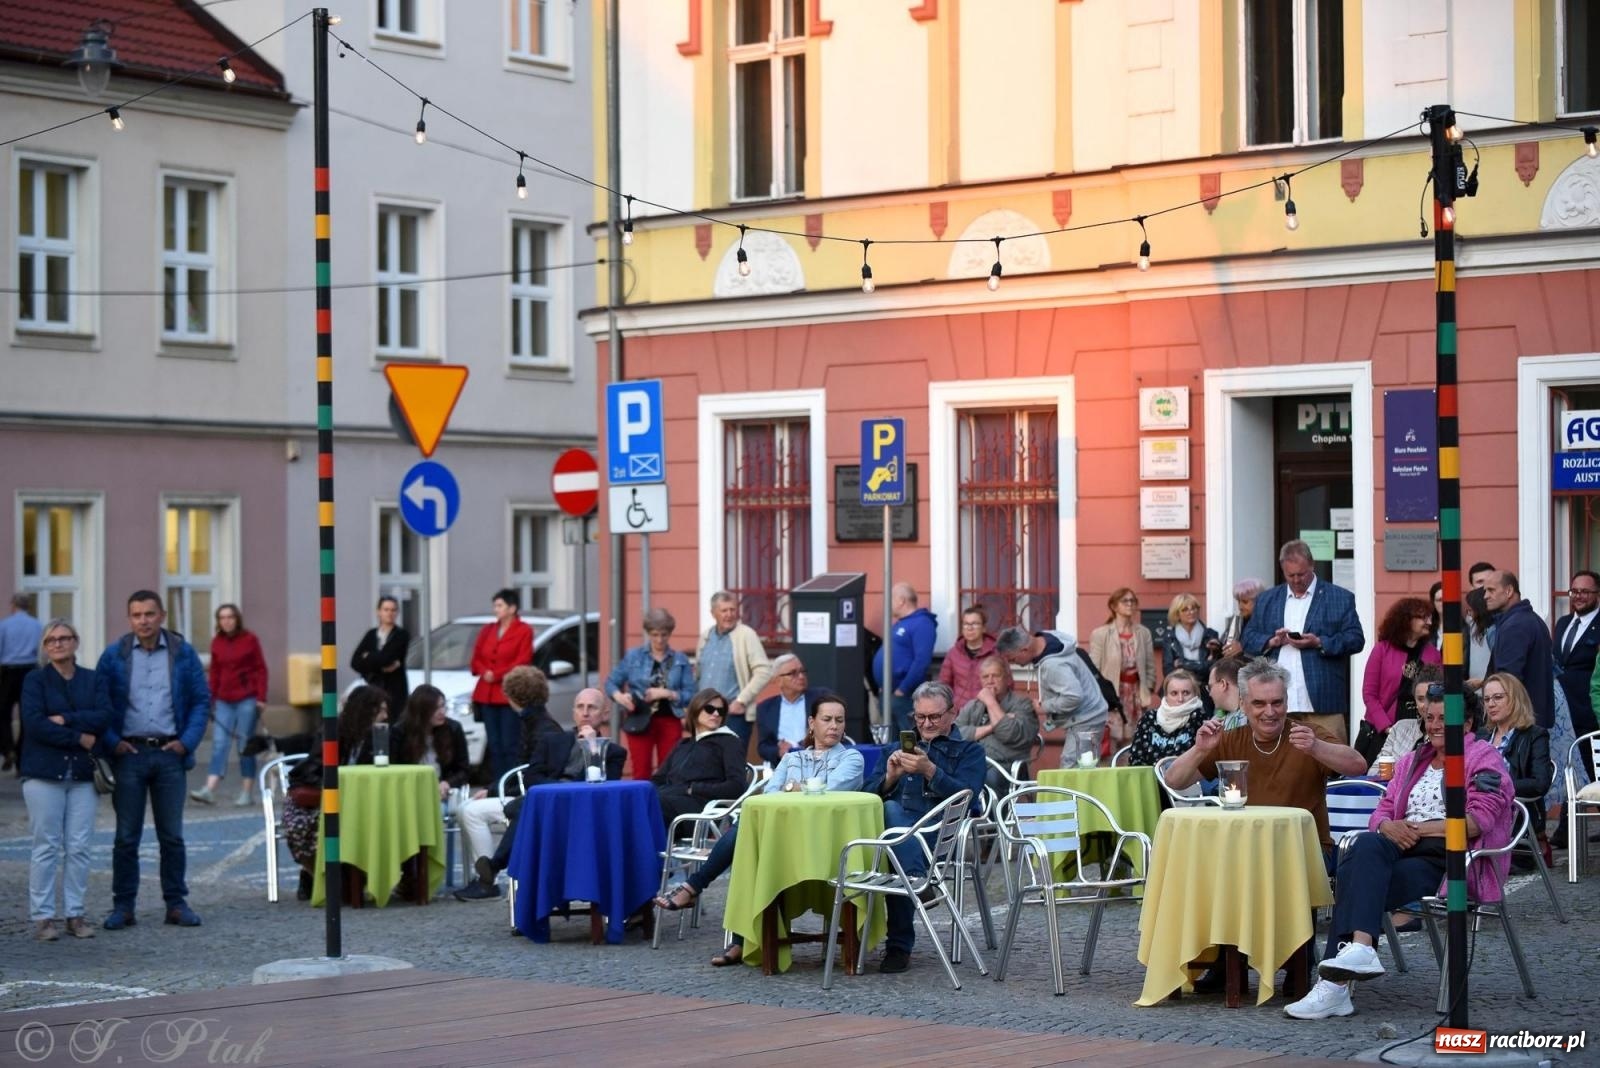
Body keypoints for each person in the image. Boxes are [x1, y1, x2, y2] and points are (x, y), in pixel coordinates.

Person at [1284, 684, 1515, 1021]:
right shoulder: (1412, 760)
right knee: (1364, 849)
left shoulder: (1483, 759)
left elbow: (1477, 821)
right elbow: (1382, 810)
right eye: (1429, 717)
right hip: (1399, 850)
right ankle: (1359, 951)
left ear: (1466, 724)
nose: (1435, 725)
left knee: (1353, 876)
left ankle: (1334, 987)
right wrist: (1387, 826)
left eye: (1444, 719)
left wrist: (1416, 828)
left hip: (1450, 861)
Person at [652, 692, 865, 966]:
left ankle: (698, 892)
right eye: (827, 719)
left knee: (745, 839)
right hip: (784, 837)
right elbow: (770, 793)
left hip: (827, 843)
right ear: (812, 723)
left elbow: (831, 787)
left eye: (839, 720)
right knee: (747, 840)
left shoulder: (852, 758)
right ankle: (737, 934)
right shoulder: (792, 759)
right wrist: (798, 788)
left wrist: (794, 787)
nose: (834, 726)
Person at [1163, 659, 1367, 869]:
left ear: (1287, 702)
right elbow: (1174, 780)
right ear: (1243, 704)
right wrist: (1200, 749)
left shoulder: (1307, 735)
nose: (1270, 712)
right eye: (1259, 703)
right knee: (1200, 861)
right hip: (1244, 849)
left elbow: (1358, 765)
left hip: (1303, 851)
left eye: (1277, 703)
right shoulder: (1229, 738)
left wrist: (1316, 748)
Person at [455, 672, 628, 902]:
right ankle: (499, 874)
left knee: (527, 808)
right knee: (531, 807)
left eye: (592, 708)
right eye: (580, 707)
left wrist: (593, 748)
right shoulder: (553, 740)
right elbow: (532, 777)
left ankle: (495, 867)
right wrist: (556, 792)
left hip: (582, 811)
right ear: (573, 712)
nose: (585, 713)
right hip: (546, 802)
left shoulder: (614, 752)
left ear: (605, 714)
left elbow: (607, 787)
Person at [96, 590, 211, 929]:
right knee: (126, 837)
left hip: (169, 755)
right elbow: (99, 703)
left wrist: (187, 742)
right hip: (128, 754)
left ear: (161, 616)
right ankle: (123, 906)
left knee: (171, 836)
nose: (143, 621)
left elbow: (201, 701)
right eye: (136, 615)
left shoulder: (182, 653)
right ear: (129, 618)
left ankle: (176, 903)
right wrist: (112, 742)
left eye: (149, 614)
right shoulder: (114, 655)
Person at [865, 681, 985, 974]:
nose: (926, 724)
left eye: (934, 717)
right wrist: (890, 778)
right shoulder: (894, 749)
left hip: (939, 834)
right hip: (895, 838)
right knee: (893, 823)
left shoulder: (970, 751)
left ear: (952, 714)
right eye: (919, 718)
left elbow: (968, 797)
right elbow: (865, 794)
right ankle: (918, 881)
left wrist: (930, 771)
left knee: (894, 836)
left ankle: (898, 946)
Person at [244, 684, 387, 901]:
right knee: (315, 823)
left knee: (368, 818)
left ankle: (352, 878)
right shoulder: (334, 731)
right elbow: (314, 770)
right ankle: (315, 876)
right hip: (315, 797)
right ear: (367, 710)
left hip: (355, 800)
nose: (386, 716)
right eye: (382, 710)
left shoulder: (377, 738)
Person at [20, 619, 109, 940]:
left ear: (76, 642)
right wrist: (79, 737)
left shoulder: (92, 679)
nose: (58, 644)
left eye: (64, 638)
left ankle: (75, 913)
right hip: (43, 774)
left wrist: (66, 719)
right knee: (46, 846)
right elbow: (34, 724)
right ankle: (43, 916)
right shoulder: (35, 681)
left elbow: (103, 716)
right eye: (51, 640)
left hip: (83, 776)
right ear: (45, 647)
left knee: (79, 847)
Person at [1240, 539, 1366, 745]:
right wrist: (1271, 641)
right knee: (1278, 762)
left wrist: (1319, 642)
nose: (1296, 580)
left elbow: (1356, 639)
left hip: (1324, 701)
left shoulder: (1339, 597)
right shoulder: (1267, 599)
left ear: (1312, 565)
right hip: (1278, 703)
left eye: (1301, 574)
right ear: (1283, 571)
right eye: (1291, 575)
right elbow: (1247, 638)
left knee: (1331, 762)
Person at [995, 626, 1109, 767]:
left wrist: (1044, 707)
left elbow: (1074, 697)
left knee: (1072, 769)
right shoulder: (1048, 639)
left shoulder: (1053, 665)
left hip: (1086, 719)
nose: (1013, 664)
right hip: (1089, 715)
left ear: (1024, 650)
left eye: (1012, 659)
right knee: (1085, 768)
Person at [191, 604, 268, 808]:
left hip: (247, 698)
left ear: (237, 619)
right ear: (218, 621)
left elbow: (261, 669)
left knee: (245, 745)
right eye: (222, 617)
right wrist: (210, 699)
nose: (226, 621)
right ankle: (210, 788)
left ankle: (246, 791)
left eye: (230, 617)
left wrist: (261, 697)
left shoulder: (250, 640)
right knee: (219, 743)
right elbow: (215, 672)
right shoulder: (217, 642)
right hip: (224, 699)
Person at [606, 607, 695, 779]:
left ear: (670, 633)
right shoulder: (634, 656)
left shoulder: (680, 659)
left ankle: (665, 805)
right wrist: (620, 697)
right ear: (648, 633)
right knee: (641, 772)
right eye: (654, 634)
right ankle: (641, 806)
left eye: (664, 634)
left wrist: (667, 693)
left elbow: (691, 693)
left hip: (670, 720)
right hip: (639, 720)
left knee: (669, 771)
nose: (659, 639)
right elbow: (611, 682)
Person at [1478, 672, 1553, 870]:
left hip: (1513, 814)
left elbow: (1540, 783)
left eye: (1498, 697)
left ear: (1515, 699)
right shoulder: (1481, 736)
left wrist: (1497, 786)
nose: (1491, 704)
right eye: (1486, 699)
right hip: (1477, 806)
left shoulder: (1535, 735)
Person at [1357, 597, 1441, 763]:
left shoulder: (1433, 653)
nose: (1429, 622)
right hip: (1382, 731)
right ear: (1405, 619)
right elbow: (1369, 694)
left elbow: (1438, 692)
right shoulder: (1382, 650)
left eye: (1430, 617)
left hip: (1420, 731)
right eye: (1422, 617)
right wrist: (1387, 728)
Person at [651, 688, 749, 829]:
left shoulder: (730, 742)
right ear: (695, 709)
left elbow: (736, 786)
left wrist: (693, 789)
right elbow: (658, 779)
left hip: (702, 810)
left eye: (720, 711)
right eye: (709, 709)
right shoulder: (683, 744)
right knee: (639, 802)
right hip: (671, 801)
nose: (715, 714)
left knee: (654, 805)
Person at [470, 588, 535, 784]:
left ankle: (513, 784)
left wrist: (496, 674)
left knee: (510, 744)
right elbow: (476, 657)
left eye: (500, 605)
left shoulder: (524, 630)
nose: (495, 609)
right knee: (494, 745)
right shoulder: (488, 629)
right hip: (486, 695)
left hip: (507, 695)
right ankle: (498, 783)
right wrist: (485, 672)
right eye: (495, 605)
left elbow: (523, 660)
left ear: (512, 608)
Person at [694, 591, 772, 751]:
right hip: (705, 713)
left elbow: (764, 671)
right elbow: (698, 673)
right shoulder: (705, 636)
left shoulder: (746, 635)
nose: (729, 615)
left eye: (732, 610)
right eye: (724, 610)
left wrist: (741, 701)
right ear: (713, 613)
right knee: (705, 762)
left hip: (733, 714)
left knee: (731, 763)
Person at [953, 655, 1038, 789]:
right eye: (985, 677)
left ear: (1007, 678)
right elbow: (955, 735)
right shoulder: (973, 706)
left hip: (1005, 766)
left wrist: (990, 701)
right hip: (972, 763)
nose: (990, 681)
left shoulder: (1022, 704)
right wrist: (991, 727)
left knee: (985, 778)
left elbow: (1008, 733)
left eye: (995, 676)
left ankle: (991, 811)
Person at [1483, 570, 1554, 729]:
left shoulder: (1515, 625)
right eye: (1485, 591)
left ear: (1508, 591)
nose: (1485, 596)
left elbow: (1507, 680)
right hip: (1533, 720)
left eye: (1491, 590)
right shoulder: (1531, 619)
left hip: (1520, 723)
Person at [1088, 588, 1154, 750]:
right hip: (1112, 696)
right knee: (1110, 741)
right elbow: (1093, 669)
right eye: (1125, 601)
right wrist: (1100, 694)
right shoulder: (1101, 634)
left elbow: (1150, 667)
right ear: (1114, 606)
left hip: (1136, 696)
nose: (1130, 604)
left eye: (1133, 600)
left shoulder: (1143, 633)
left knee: (1134, 742)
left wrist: (1147, 688)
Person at [871, 583, 938, 736]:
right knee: (891, 744)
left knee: (908, 740)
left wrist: (903, 689)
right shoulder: (899, 623)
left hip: (904, 696)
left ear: (901, 600)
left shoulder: (922, 623)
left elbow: (921, 661)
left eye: (891, 599)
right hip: (888, 695)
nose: (887, 605)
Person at [395, 684, 471, 802]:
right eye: (435, 709)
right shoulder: (400, 732)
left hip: (442, 792)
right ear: (420, 711)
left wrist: (447, 783)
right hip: (410, 791)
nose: (442, 712)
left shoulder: (453, 728)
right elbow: (395, 768)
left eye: (442, 706)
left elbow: (464, 770)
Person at [1553, 571, 1599, 765]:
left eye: (1585, 591)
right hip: (1560, 713)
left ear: (1597, 593)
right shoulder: (1563, 623)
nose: (1578, 596)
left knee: (1592, 768)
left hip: (1589, 713)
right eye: (1574, 591)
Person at [1127, 669, 1209, 767]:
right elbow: (1136, 759)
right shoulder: (1149, 719)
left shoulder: (1199, 717)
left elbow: (1204, 760)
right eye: (1174, 693)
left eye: (1186, 693)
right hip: (1150, 779)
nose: (1180, 699)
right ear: (1166, 696)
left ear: (1195, 695)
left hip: (1187, 781)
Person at [753, 654, 824, 766]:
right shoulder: (765, 708)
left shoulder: (821, 698)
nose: (801, 676)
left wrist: (799, 746)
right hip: (783, 765)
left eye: (802, 671)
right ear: (778, 680)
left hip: (817, 761)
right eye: (793, 673)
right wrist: (778, 751)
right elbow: (763, 747)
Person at [1, 593, 44, 772]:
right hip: (30, 670)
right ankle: (21, 757)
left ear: (13, 605)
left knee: (2, 713)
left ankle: (7, 748)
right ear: (28, 606)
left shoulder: (4, 625)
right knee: (28, 716)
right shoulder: (37, 625)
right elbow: (42, 651)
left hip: (8, 671)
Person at [350, 595, 410, 719]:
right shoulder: (371, 634)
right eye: (386, 609)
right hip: (373, 689)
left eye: (393, 610)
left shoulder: (401, 635)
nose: (390, 613)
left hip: (394, 693)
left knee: (392, 725)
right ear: (379, 612)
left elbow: (387, 658)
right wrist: (381, 667)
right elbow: (355, 662)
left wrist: (368, 657)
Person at [940, 605, 998, 710]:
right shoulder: (953, 653)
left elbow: (1006, 684)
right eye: (966, 624)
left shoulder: (995, 653)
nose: (970, 628)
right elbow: (944, 685)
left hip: (986, 711)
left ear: (984, 628)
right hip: (959, 713)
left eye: (975, 624)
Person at [1163, 594, 1220, 691]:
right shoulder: (1170, 637)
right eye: (1185, 609)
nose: (1191, 612)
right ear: (1177, 614)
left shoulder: (1210, 635)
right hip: (1179, 688)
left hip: (1204, 688)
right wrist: (1200, 665)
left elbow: (1213, 668)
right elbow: (1168, 670)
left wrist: (1183, 664)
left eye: (1194, 608)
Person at [1207, 655, 1248, 730]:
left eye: (1210, 687)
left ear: (1223, 684)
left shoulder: (1254, 716)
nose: (1210, 694)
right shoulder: (1215, 721)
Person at [1463, 586, 1494, 688]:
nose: (1469, 615)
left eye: (1471, 610)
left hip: (1489, 688)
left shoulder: (1493, 631)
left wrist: (1482, 682)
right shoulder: (1474, 626)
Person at [1428, 581, 1445, 653]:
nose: (1443, 603)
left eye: (1446, 599)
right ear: (1433, 603)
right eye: (1439, 600)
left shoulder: (1462, 627)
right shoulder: (1428, 626)